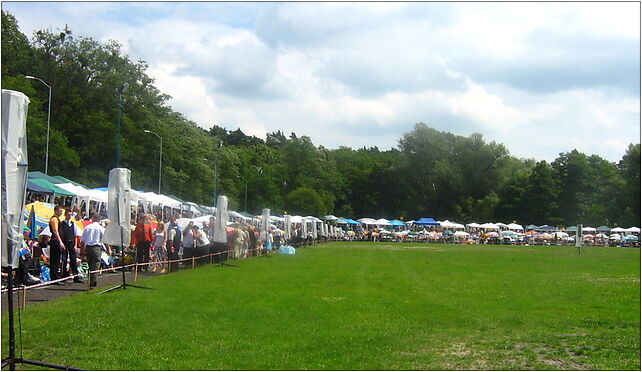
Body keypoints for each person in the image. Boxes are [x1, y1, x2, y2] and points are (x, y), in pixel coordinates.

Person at [81, 213, 106, 288]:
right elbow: (104, 239)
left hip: (88, 248)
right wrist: (108, 249)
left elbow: (82, 241)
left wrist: (82, 251)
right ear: (99, 219)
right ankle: (93, 283)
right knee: (95, 265)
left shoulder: (87, 227)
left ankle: (90, 281)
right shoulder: (101, 228)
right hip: (96, 248)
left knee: (90, 264)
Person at [60, 209, 83, 283]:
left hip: (72, 243)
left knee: (73, 260)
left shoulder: (73, 224)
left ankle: (76, 276)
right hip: (65, 243)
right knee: (65, 259)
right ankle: (64, 276)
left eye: (70, 215)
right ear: (65, 215)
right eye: (68, 214)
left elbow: (76, 235)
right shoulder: (62, 223)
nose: (69, 216)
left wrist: (75, 245)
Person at [48, 205, 66, 283]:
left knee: (58, 259)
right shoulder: (54, 219)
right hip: (55, 241)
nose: (61, 212)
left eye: (62, 211)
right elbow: (55, 231)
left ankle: (57, 276)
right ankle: (54, 277)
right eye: (60, 211)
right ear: (56, 211)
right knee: (55, 260)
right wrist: (60, 241)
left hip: (58, 241)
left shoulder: (59, 219)